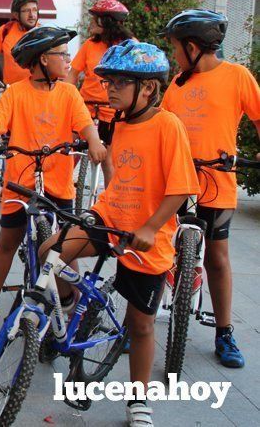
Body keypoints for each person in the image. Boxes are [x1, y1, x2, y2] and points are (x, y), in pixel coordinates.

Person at [37, 40, 199, 427]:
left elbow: (180, 188)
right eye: (106, 80)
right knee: (50, 252)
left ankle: (139, 400)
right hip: (109, 219)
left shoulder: (168, 125)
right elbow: (120, 173)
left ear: (147, 88)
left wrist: (150, 227)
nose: (108, 88)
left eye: (119, 82)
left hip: (147, 238)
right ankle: (73, 304)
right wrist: (98, 207)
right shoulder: (120, 122)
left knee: (140, 325)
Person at [0, 26, 106, 330]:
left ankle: (72, 302)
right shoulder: (17, 92)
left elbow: (85, 124)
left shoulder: (69, 93)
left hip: (58, 184)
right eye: (62, 54)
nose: (68, 59)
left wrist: (94, 142)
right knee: (7, 243)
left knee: (67, 246)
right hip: (20, 183)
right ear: (44, 59)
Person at [159, 9, 260, 369]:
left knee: (217, 258)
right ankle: (135, 323)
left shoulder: (237, 76)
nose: (174, 56)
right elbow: (161, 126)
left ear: (192, 47)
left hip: (217, 182)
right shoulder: (178, 85)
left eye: (175, 48)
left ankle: (224, 331)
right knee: (156, 250)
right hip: (176, 181)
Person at [66, 0, 135, 181]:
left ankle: (110, 203)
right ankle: (59, 194)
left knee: (108, 161)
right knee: (69, 152)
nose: (90, 23)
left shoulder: (129, 45)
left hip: (111, 111)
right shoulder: (90, 44)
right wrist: (64, 96)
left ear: (106, 21)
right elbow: (73, 74)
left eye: (94, 18)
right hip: (85, 107)